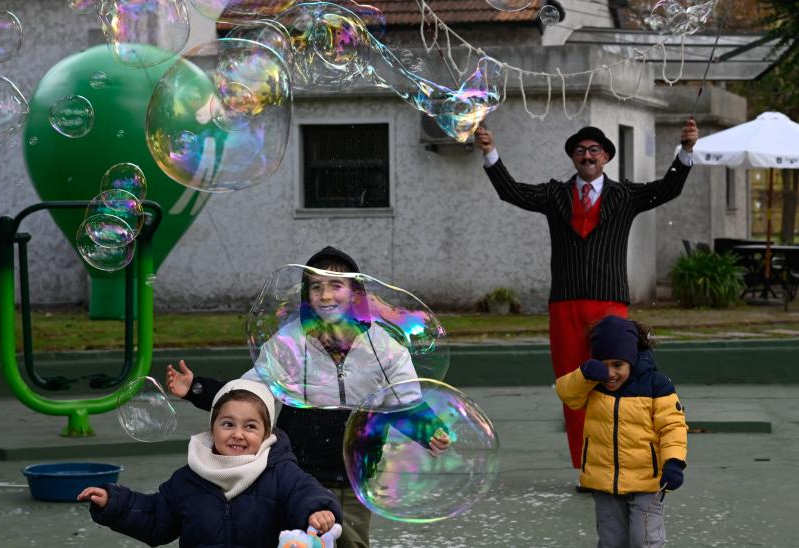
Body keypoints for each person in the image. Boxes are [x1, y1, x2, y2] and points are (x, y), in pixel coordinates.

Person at [166, 246, 450, 548]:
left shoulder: (384, 347)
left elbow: (403, 401)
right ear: (306, 295)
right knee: (299, 544)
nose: (325, 296)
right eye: (317, 287)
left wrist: (428, 430)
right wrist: (197, 387)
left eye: (335, 286)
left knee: (351, 542)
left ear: (355, 293)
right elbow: (251, 393)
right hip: (295, 477)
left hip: (353, 476)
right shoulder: (289, 342)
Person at [475, 120, 698, 471]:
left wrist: (685, 150)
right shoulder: (554, 195)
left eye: (595, 150)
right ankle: (584, 465)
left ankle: (613, 460)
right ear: (573, 159)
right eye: (580, 151)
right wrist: (490, 152)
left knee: (614, 379)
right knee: (572, 383)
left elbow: (667, 189)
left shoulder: (624, 196)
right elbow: (512, 192)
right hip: (565, 302)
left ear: (606, 157)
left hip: (610, 302)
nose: (587, 155)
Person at [78, 379, 342, 547]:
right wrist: (115, 503)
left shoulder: (281, 472)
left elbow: (306, 493)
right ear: (212, 428)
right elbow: (156, 518)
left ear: (266, 433)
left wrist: (317, 511)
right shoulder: (188, 478)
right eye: (227, 424)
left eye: (250, 426)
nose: (238, 434)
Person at [555, 315, 688, 547]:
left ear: (632, 359)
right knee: (611, 541)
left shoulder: (657, 384)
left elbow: (672, 427)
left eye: (618, 365)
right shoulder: (592, 385)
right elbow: (567, 394)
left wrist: (674, 461)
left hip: (647, 482)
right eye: (603, 365)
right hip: (605, 483)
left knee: (644, 540)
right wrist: (583, 374)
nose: (610, 374)